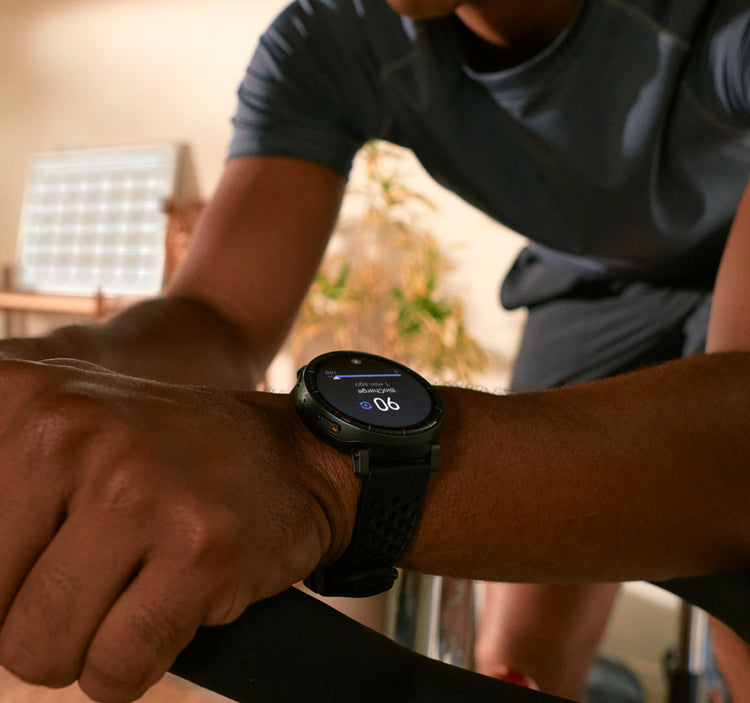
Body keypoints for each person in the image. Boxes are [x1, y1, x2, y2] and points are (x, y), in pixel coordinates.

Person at [0, 0, 748, 701]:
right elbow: (218, 317)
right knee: (520, 658)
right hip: (591, 282)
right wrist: (33, 372)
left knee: (740, 629)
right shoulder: (330, 35)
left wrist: (315, 465)